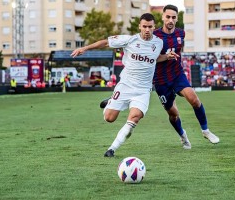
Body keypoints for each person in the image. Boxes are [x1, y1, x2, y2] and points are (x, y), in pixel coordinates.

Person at [70, 13, 178, 157]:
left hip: (143, 90)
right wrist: (84, 48)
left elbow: (154, 58)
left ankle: (112, 149)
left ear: (154, 27)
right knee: (109, 118)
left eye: (150, 27)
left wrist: (166, 57)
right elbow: (106, 42)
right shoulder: (129, 40)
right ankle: (110, 102)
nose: (147, 30)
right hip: (126, 85)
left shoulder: (158, 43)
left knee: (134, 117)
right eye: (144, 26)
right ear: (139, 26)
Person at [152, 4, 219, 149]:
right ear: (163, 17)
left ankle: (205, 130)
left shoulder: (181, 33)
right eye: (168, 17)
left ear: (177, 19)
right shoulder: (155, 36)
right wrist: (165, 56)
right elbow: (151, 59)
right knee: (173, 114)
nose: (170, 20)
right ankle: (183, 136)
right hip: (161, 81)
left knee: (194, 98)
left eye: (173, 17)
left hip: (177, 74)